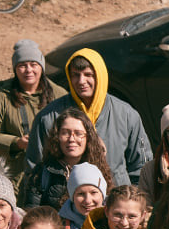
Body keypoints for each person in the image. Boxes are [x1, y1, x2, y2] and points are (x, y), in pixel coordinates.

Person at [25, 48, 152, 189]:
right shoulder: (48, 117)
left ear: (100, 75)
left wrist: (135, 201)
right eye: (75, 75)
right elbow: (34, 170)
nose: (81, 81)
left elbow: (142, 166)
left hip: (116, 202)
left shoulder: (127, 115)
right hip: (64, 202)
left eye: (88, 74)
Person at [0, 40, 60, 184]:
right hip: (16, 174)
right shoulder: (2, 98)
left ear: (42, 67)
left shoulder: (59, 95)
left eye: (33, 64)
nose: (28, 70)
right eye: (22, 65)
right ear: (15, 69)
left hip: (54, 171)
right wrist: (17, 143)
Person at [21, 105, 111, 212]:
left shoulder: (100, 169)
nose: (71, 139)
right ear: (57, 136)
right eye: (65, 133)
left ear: (88, 138)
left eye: (78, 134)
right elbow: (32, 214)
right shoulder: (42, 172)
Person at [61, 163, 104, 229]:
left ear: (102, 195)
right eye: (81, 194)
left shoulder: (116, 222)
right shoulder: (61, 227)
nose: (88, 201)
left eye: (93, 192)